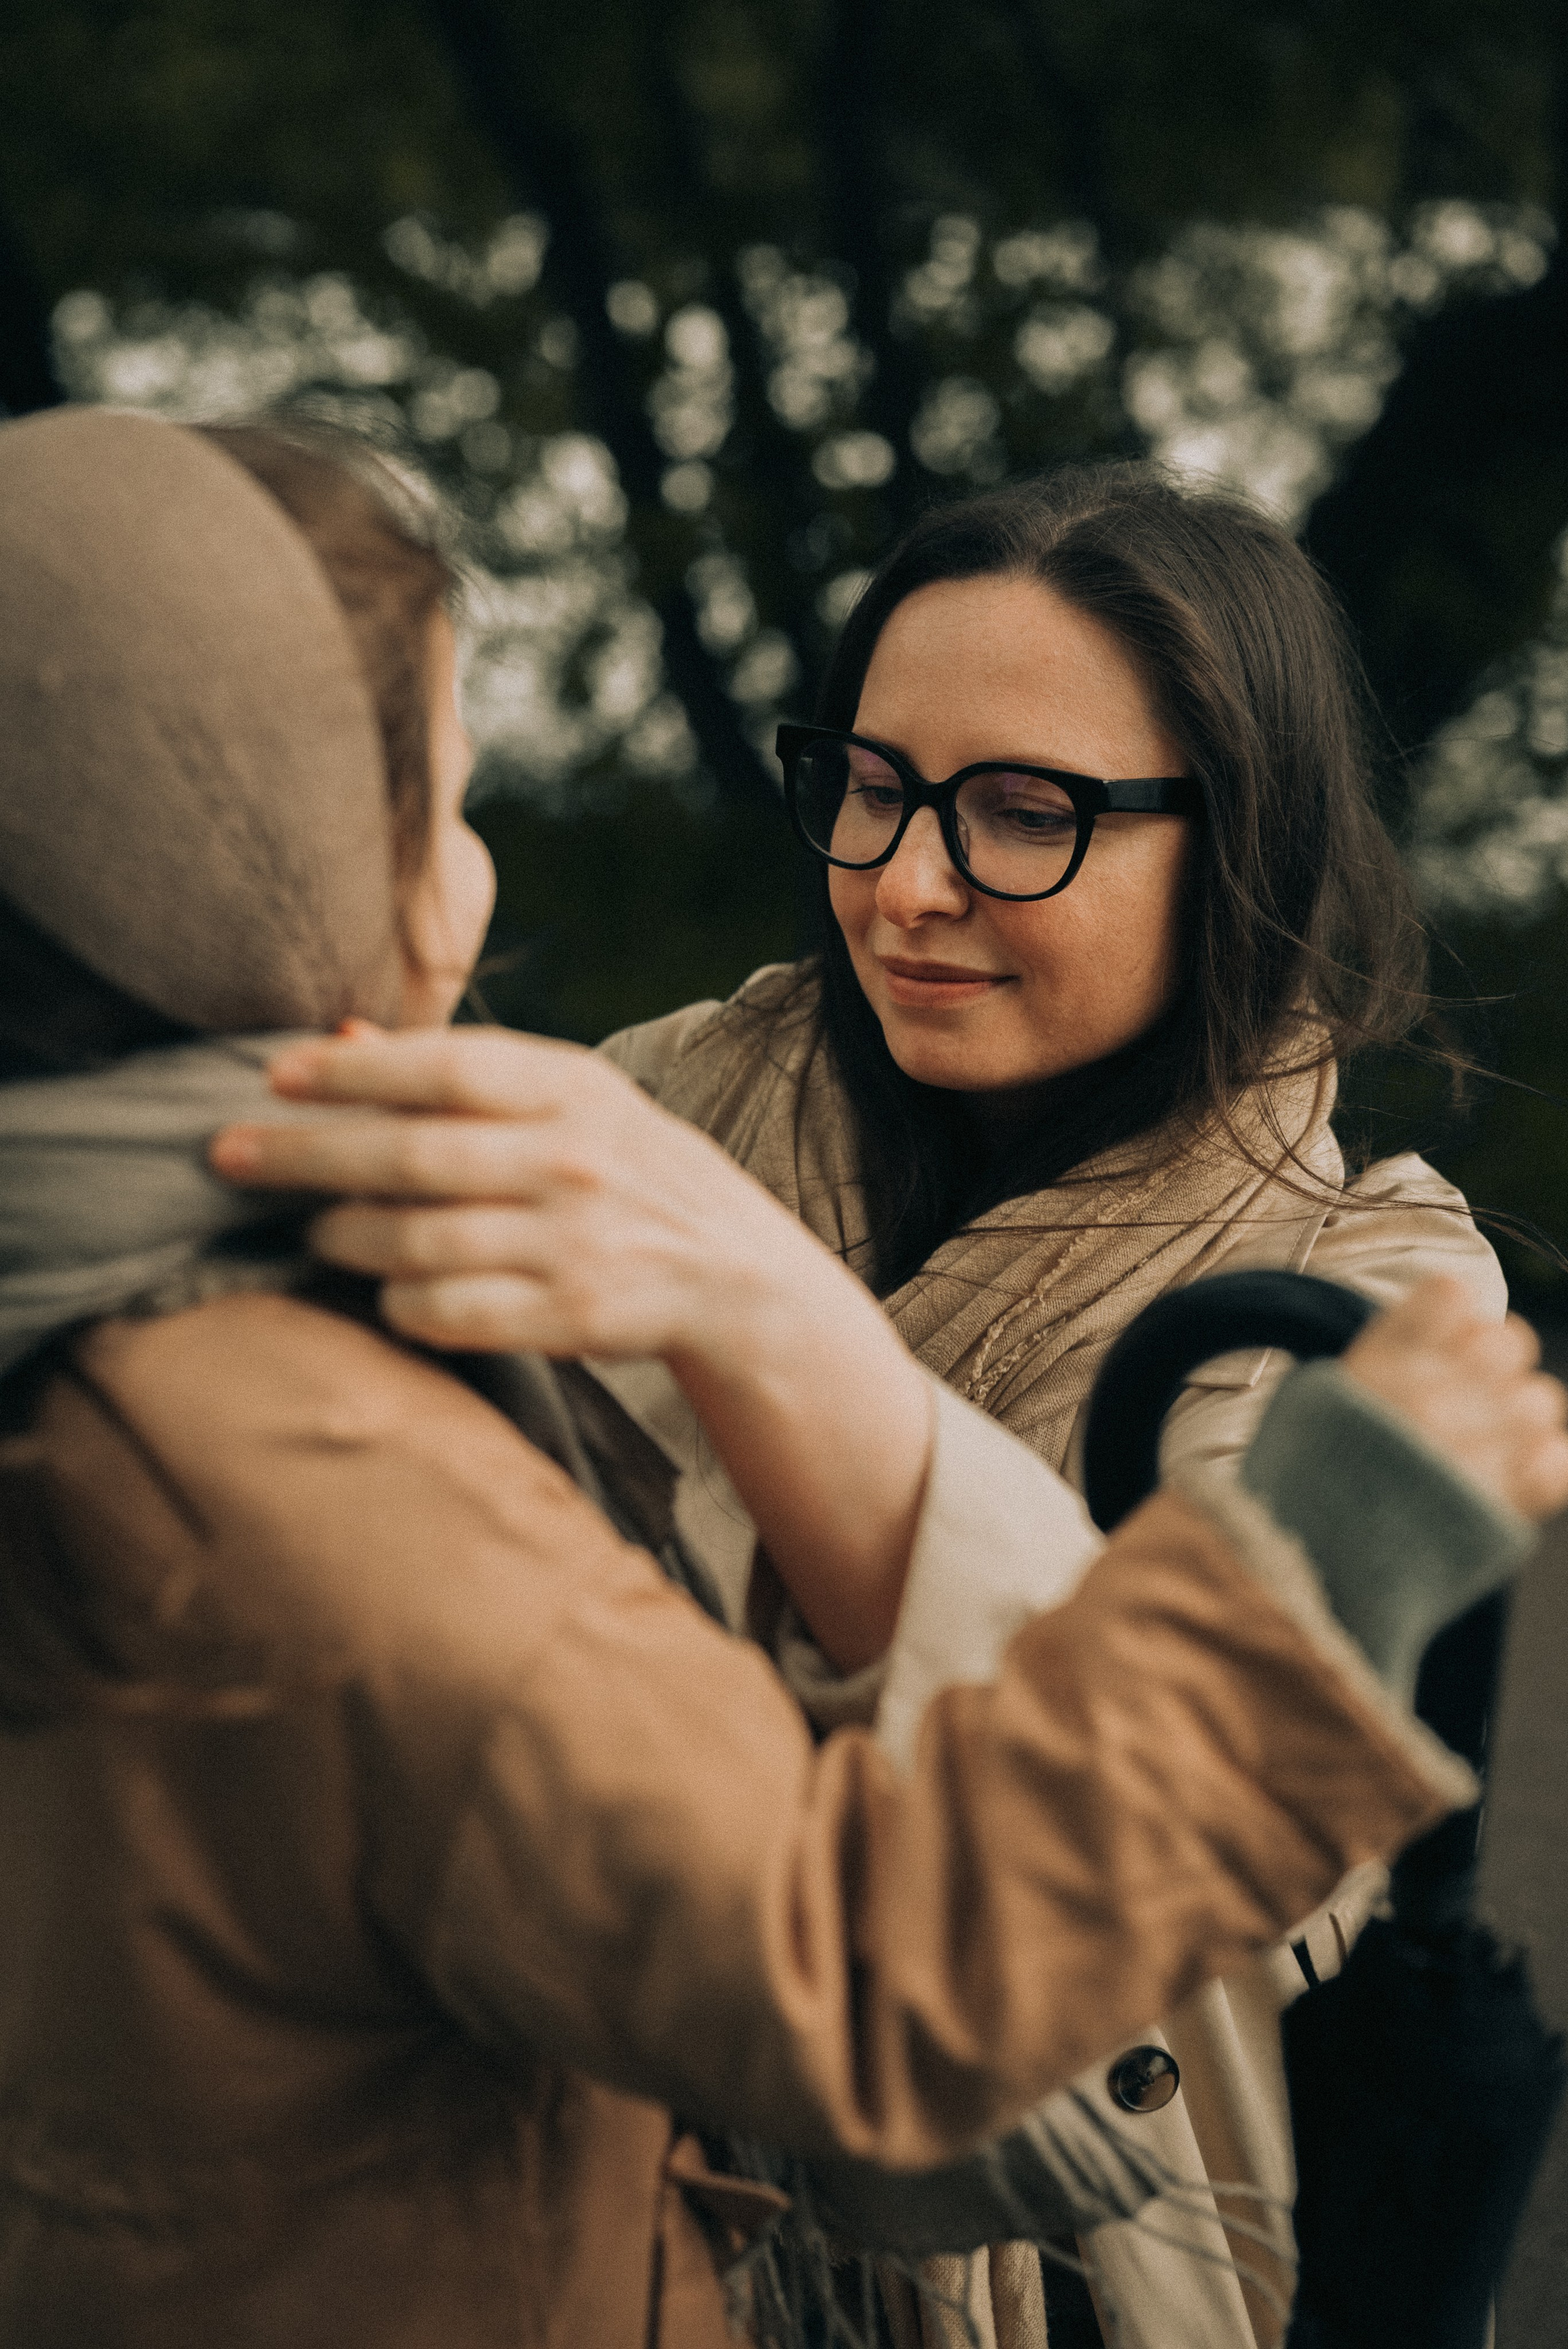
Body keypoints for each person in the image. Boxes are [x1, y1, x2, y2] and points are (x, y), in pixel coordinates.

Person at [1, 407, 1559, 2349]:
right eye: (870, 784)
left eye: (1022, 811)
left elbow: (1178, 1932)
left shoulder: (1358, 1302)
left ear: (1239, 838)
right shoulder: (651, 1101)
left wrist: (771, 1317)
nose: (909, 882)